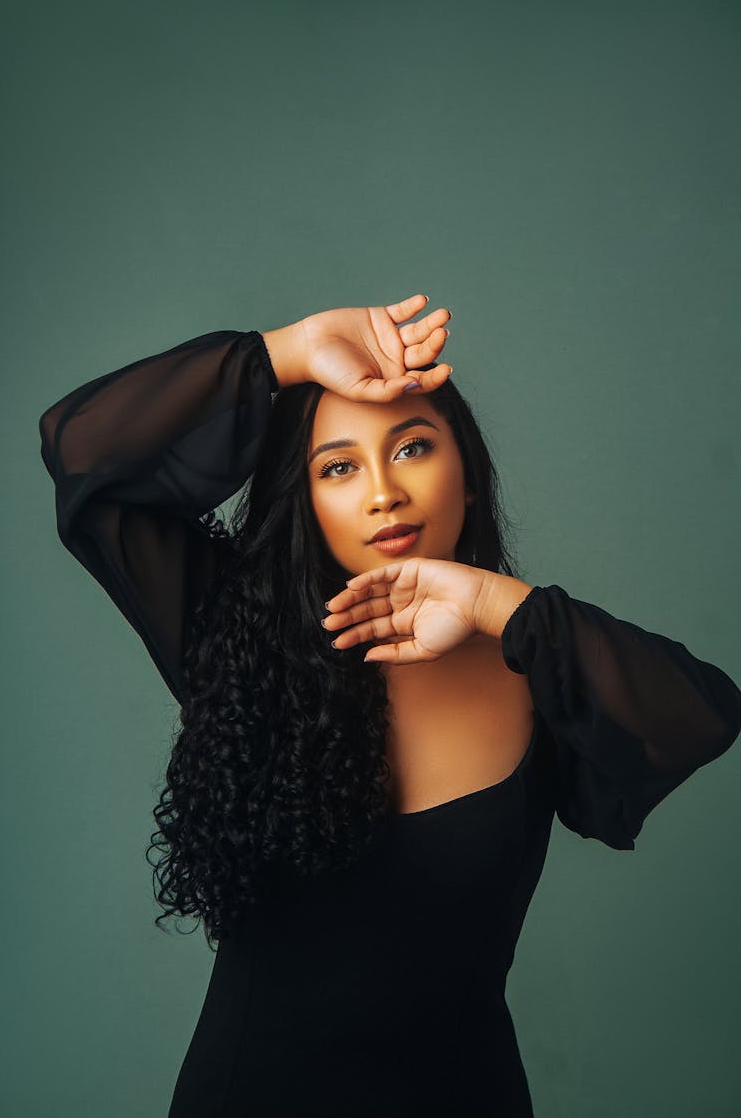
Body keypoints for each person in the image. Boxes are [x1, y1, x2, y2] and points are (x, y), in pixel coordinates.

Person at [39, 294, 741, 1117]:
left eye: (411, 446)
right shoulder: (232, 635)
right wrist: (284, 352)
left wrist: (500, 606)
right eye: (338, 466)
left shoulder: (543, 660)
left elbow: (701, 716)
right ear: (307, 500)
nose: (382, 493)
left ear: (469, 478)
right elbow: (79, 443)